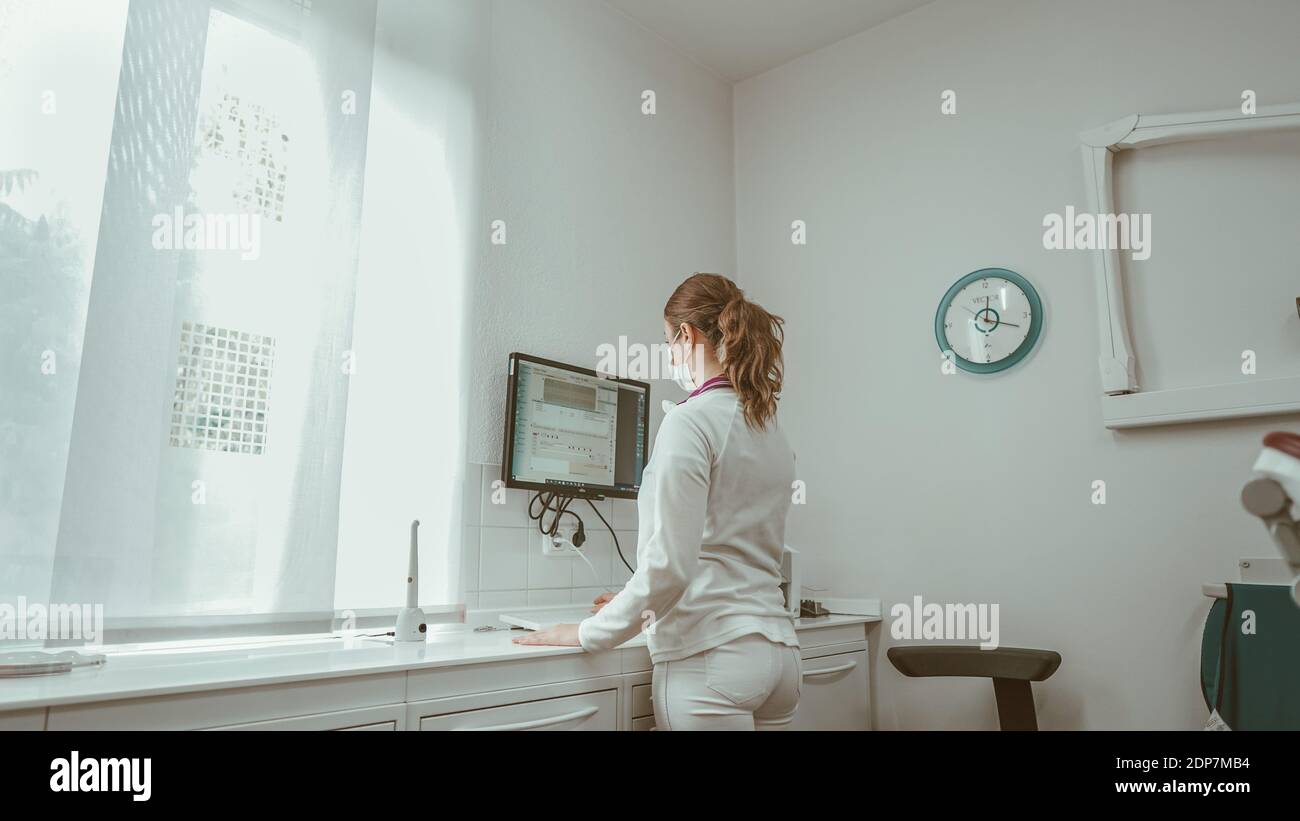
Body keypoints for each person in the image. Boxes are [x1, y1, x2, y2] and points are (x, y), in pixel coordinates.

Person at [514, 272, 800, 730]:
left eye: (668, 342)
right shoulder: (769, 428)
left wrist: (587, 633)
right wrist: (635, 600)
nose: (670, 354)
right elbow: (722, 550)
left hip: (712, 659)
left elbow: (670, 567)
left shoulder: (690, 422)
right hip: (779, 656)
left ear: (685, 335)